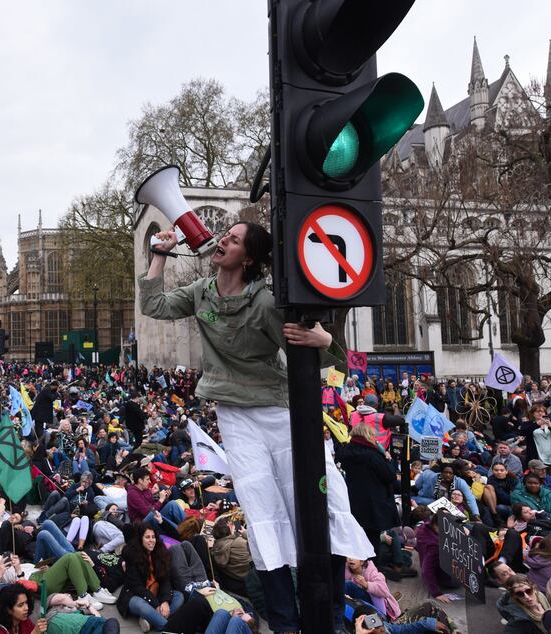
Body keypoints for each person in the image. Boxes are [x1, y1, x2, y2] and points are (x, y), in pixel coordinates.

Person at [139, 222, 373, 632]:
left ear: (247, 258)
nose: (222, 240)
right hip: (235, 414)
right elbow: (154, 305)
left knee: (326, 499)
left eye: (233, 239)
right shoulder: (202, 292)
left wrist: (326, 343)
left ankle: (332, 614)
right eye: (224, 235)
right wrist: (160, 254)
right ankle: (285, 623)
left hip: (278, 409)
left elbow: (316, 353)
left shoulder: (266, 302)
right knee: (262, 512)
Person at [336, 423, 399, 550]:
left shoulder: (346, 451)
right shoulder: (373, 455)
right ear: (367, 435)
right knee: (372, 542)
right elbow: (389, 476)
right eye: (373, 435)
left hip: (354, 500)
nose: (376, 438)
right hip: (374, 504)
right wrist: (389, 460)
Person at [116, 523, 183, 632]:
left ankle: (151, 620)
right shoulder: (132, 554)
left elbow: (165, 580)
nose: (151, 540)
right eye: (147, 537)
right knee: (141, 606)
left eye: (153, 537)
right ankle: (168, 628)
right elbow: (136, 587)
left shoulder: (160, 552)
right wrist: (156, 604)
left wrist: (165, 601)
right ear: (140, 539)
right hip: (136, 595)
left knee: (179, 596)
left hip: (156, 593)